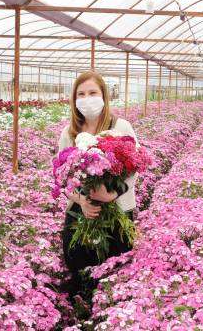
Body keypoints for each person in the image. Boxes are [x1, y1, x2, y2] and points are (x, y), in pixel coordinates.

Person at [57, 71, 139, 298]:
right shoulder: (69, 132)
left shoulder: (121, 127)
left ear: (104, 95)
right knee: (80, 271)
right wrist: (81, 201)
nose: (86, 98)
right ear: (74, 100)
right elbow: (62, 176)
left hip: (117, 212)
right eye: (81, 94)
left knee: (115, 274)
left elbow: (135, 171)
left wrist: (112, 194)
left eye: (92, 92)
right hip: (80, 214)